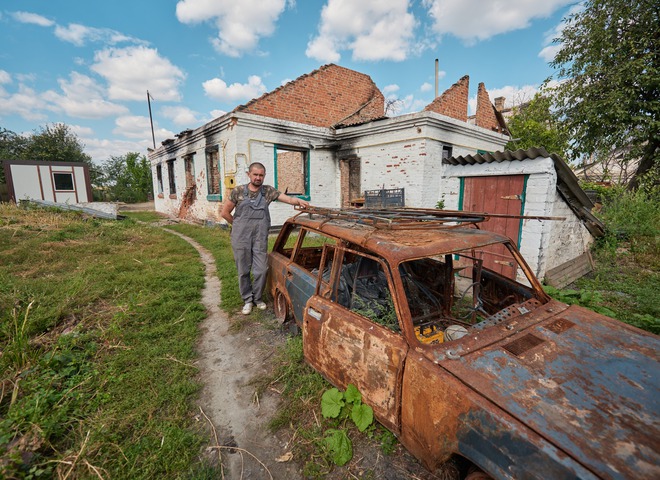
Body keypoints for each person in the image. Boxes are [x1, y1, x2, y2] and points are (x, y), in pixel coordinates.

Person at [221, 162, 310, 315]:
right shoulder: (238, 191)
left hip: (259, 238)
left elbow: (287, 199)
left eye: (261, 175)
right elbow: (225, 213)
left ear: (264, 176)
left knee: (261, 270)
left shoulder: (268, 191)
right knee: (243, 270)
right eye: (255, 174)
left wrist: (299, 201)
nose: (258, 177)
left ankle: (257, 298)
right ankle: (247, 300)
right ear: (249, 174)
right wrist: (237, 226)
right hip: (240, 238)